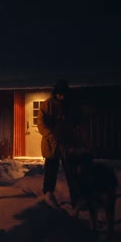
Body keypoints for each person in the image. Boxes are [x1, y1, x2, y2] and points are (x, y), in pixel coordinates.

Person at [37, 79, 83, 211]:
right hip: (51, 146)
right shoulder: (47, 105)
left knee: (72, 175)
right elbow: (40, 123)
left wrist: (73, 132)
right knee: (50, 175)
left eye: (64, 94)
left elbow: (78, 121)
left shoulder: (71, 106)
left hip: (67, 146)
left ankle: (77, 202)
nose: (61, 96)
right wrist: (50, 134)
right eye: (59, 94)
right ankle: (47, 201)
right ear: (55, 93)